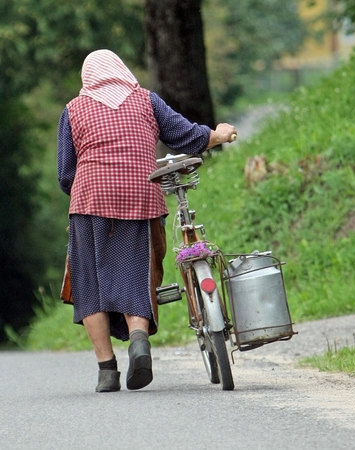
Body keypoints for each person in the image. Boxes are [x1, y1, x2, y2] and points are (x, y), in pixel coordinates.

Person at [57, 49, 237, 393]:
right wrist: (219, 133)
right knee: (136, 273)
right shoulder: (146, 100)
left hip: (89, 199)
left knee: (89, 285)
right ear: (123, 70)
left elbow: (66, 173)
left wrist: (85, 193)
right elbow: (186, 136)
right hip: (139, 196)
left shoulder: (72, 110)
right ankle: (139, 340)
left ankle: (107, 372)